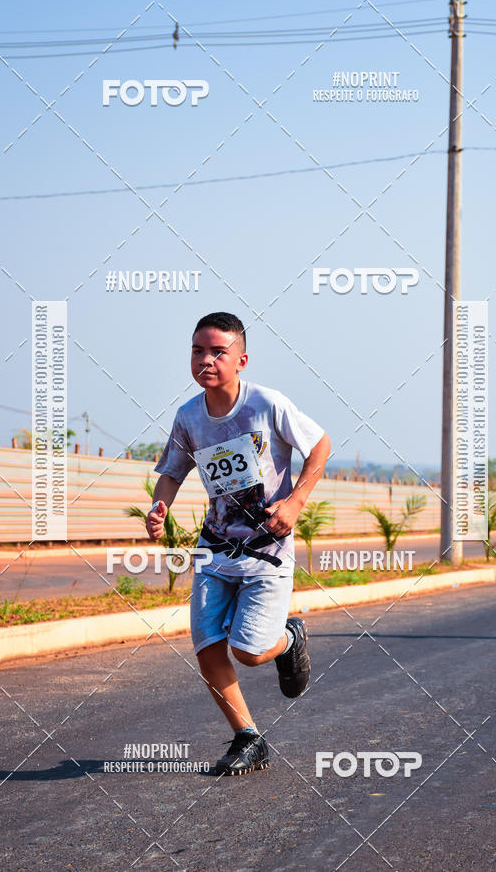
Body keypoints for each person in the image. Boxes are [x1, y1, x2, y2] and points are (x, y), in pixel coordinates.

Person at [146, 311, 330, 775]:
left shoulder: (267, 404)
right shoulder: (189, 416)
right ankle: (248, 737)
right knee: (208, 645)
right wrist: (158, 507)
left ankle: (288, 640)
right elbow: (171, 471)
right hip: (214, 547)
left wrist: (295, 502)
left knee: (249, 652)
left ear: (241, 359)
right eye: (197, 350)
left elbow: (320, 444)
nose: (205, 360)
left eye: (217, 352)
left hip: (267, 547)